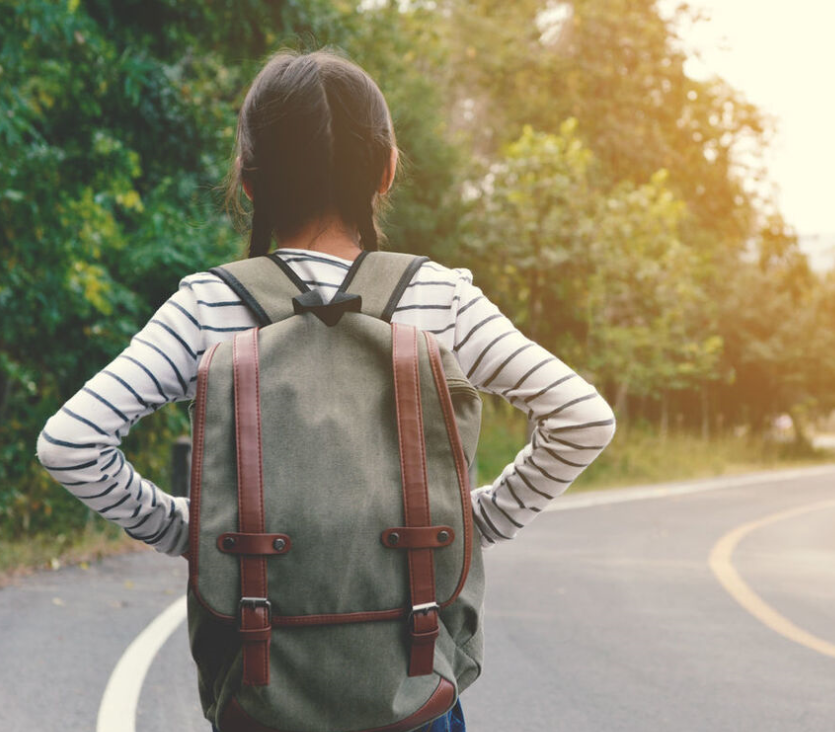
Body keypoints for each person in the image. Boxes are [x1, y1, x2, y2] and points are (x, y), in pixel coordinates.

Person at [35, 47, 617, 730]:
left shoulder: (207, 307)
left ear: (249, 182)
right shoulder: (438, 298)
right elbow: (582, 419)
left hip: (263, 687)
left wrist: (191, 533)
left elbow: (70, 444)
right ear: (387, 169)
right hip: (413, 686)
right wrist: (476, 522)